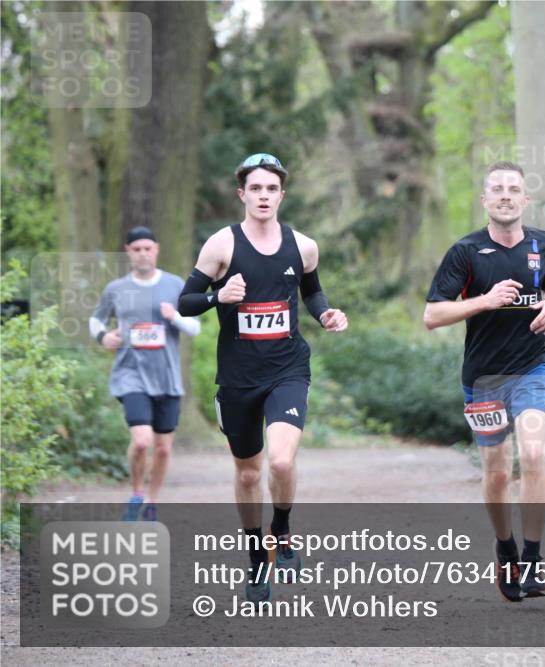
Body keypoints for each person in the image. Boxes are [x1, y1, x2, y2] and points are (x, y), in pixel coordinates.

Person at [177, 153, 348, 603]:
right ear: (242, 194)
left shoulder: (303, 246)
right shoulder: (221, 245)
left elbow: (312, 292)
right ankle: (257, 559)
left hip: (288, 368)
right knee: (250, 474)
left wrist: (326, 314)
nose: (264, 196)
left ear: (282, 195)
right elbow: (184, 302)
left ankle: (283, 529)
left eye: (271, 189)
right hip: (238, 376)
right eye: (255, 188)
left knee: (282, 463)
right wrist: (218, 296)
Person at [424, 160, 545, 602]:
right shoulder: (466, 252)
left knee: (534, 452)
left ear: (525, 199)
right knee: (498, 472)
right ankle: (506, 548)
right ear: (485, 199)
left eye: (513, 188)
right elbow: (432, 315)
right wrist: (484, 301)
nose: (506, 195)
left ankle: (533, 557)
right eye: (497, 189)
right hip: (484, 378)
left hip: (533, 367)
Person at [90, 226, 201, 522]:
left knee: (163, 449)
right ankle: (137, 493)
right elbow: (95, 320)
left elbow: (194, 327)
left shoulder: (175, 284)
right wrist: (103, 336)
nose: (142, 254)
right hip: (131, 375)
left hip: (167, 378)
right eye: (136, 249)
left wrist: (174, 316)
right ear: (128, 252)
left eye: (147, 248)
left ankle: (152, 500)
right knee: (141, 441)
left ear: (157, 250)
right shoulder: (116, 289)